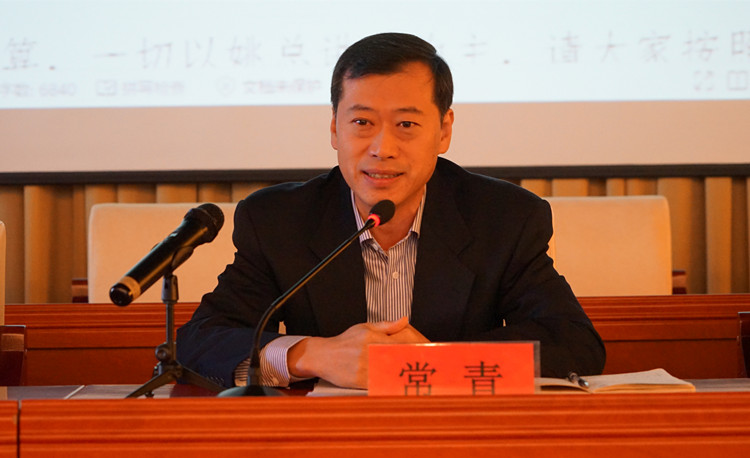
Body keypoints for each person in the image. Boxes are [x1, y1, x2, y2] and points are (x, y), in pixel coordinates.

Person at [176, 32, 605, 390]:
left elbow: (574, 344)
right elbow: (201, 339)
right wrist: (314, 354)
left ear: (444, 131)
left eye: (406, 125)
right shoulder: (279, 220)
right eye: (362, 122)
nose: (382, 148)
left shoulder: (504, 218)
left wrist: (433, 361)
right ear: (335, 128)